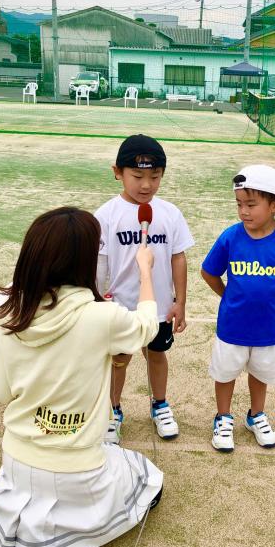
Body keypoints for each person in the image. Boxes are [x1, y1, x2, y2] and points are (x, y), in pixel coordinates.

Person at [0, 207, 163, 547]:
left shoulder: (7, 316)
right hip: (78, 469)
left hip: (16, 463)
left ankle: (43, 538)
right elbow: (146, 326)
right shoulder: (103, 318)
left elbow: (0, 391)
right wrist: (146, 268)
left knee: (88, 472)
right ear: (83, 261)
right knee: (146, 477)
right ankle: (63, 540)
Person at [201, 165, 275, 453]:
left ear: (274, 204)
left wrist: (272, 298)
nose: (244, 211)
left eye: (251, 204)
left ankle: (255, 415)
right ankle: (223, 417)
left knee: (261, 373)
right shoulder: (230, 237)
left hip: (268, 327)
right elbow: (209, 272)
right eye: (239, 204)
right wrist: (227, 296)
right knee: (225, 374)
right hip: (232, 325)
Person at [95, 134, 194, 443]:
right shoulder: (106, 215)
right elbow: (99, 264)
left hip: (161, 307)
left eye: (155, 176)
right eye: (137, 176)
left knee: (156, 355)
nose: (146, 185)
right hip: (120, 308)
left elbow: (179, 257)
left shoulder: (170, 213)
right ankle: (112, 411)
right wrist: (96, 300)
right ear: (117, 172)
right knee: (118, 359)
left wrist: (180, 302)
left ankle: (160, 405)